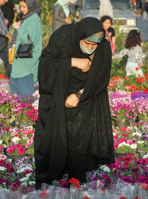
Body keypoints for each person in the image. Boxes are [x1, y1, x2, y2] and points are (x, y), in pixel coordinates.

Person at [35, 17, 114, 189]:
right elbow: (45, 67)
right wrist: (72, 62)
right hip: (57, 98)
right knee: (53, 140)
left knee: (79, 140)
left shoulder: (102, 45)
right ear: (79, 36)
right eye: (87, 43)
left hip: (84, 100)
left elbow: (101, 76)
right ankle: (48, 184)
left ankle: (76, 182)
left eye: (94, 46)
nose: (90, 48)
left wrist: (79, 94)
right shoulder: (63, 37)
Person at [10, 0, 42, 96]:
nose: (22, 9)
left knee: (26, 99)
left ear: (31, 5)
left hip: (27, 64)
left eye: (24, 6)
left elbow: (28, 40)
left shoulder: (34, 19)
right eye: (21, 6)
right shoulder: (26, 18)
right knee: (17, 98)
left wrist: (18, 28)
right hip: (20, 62)